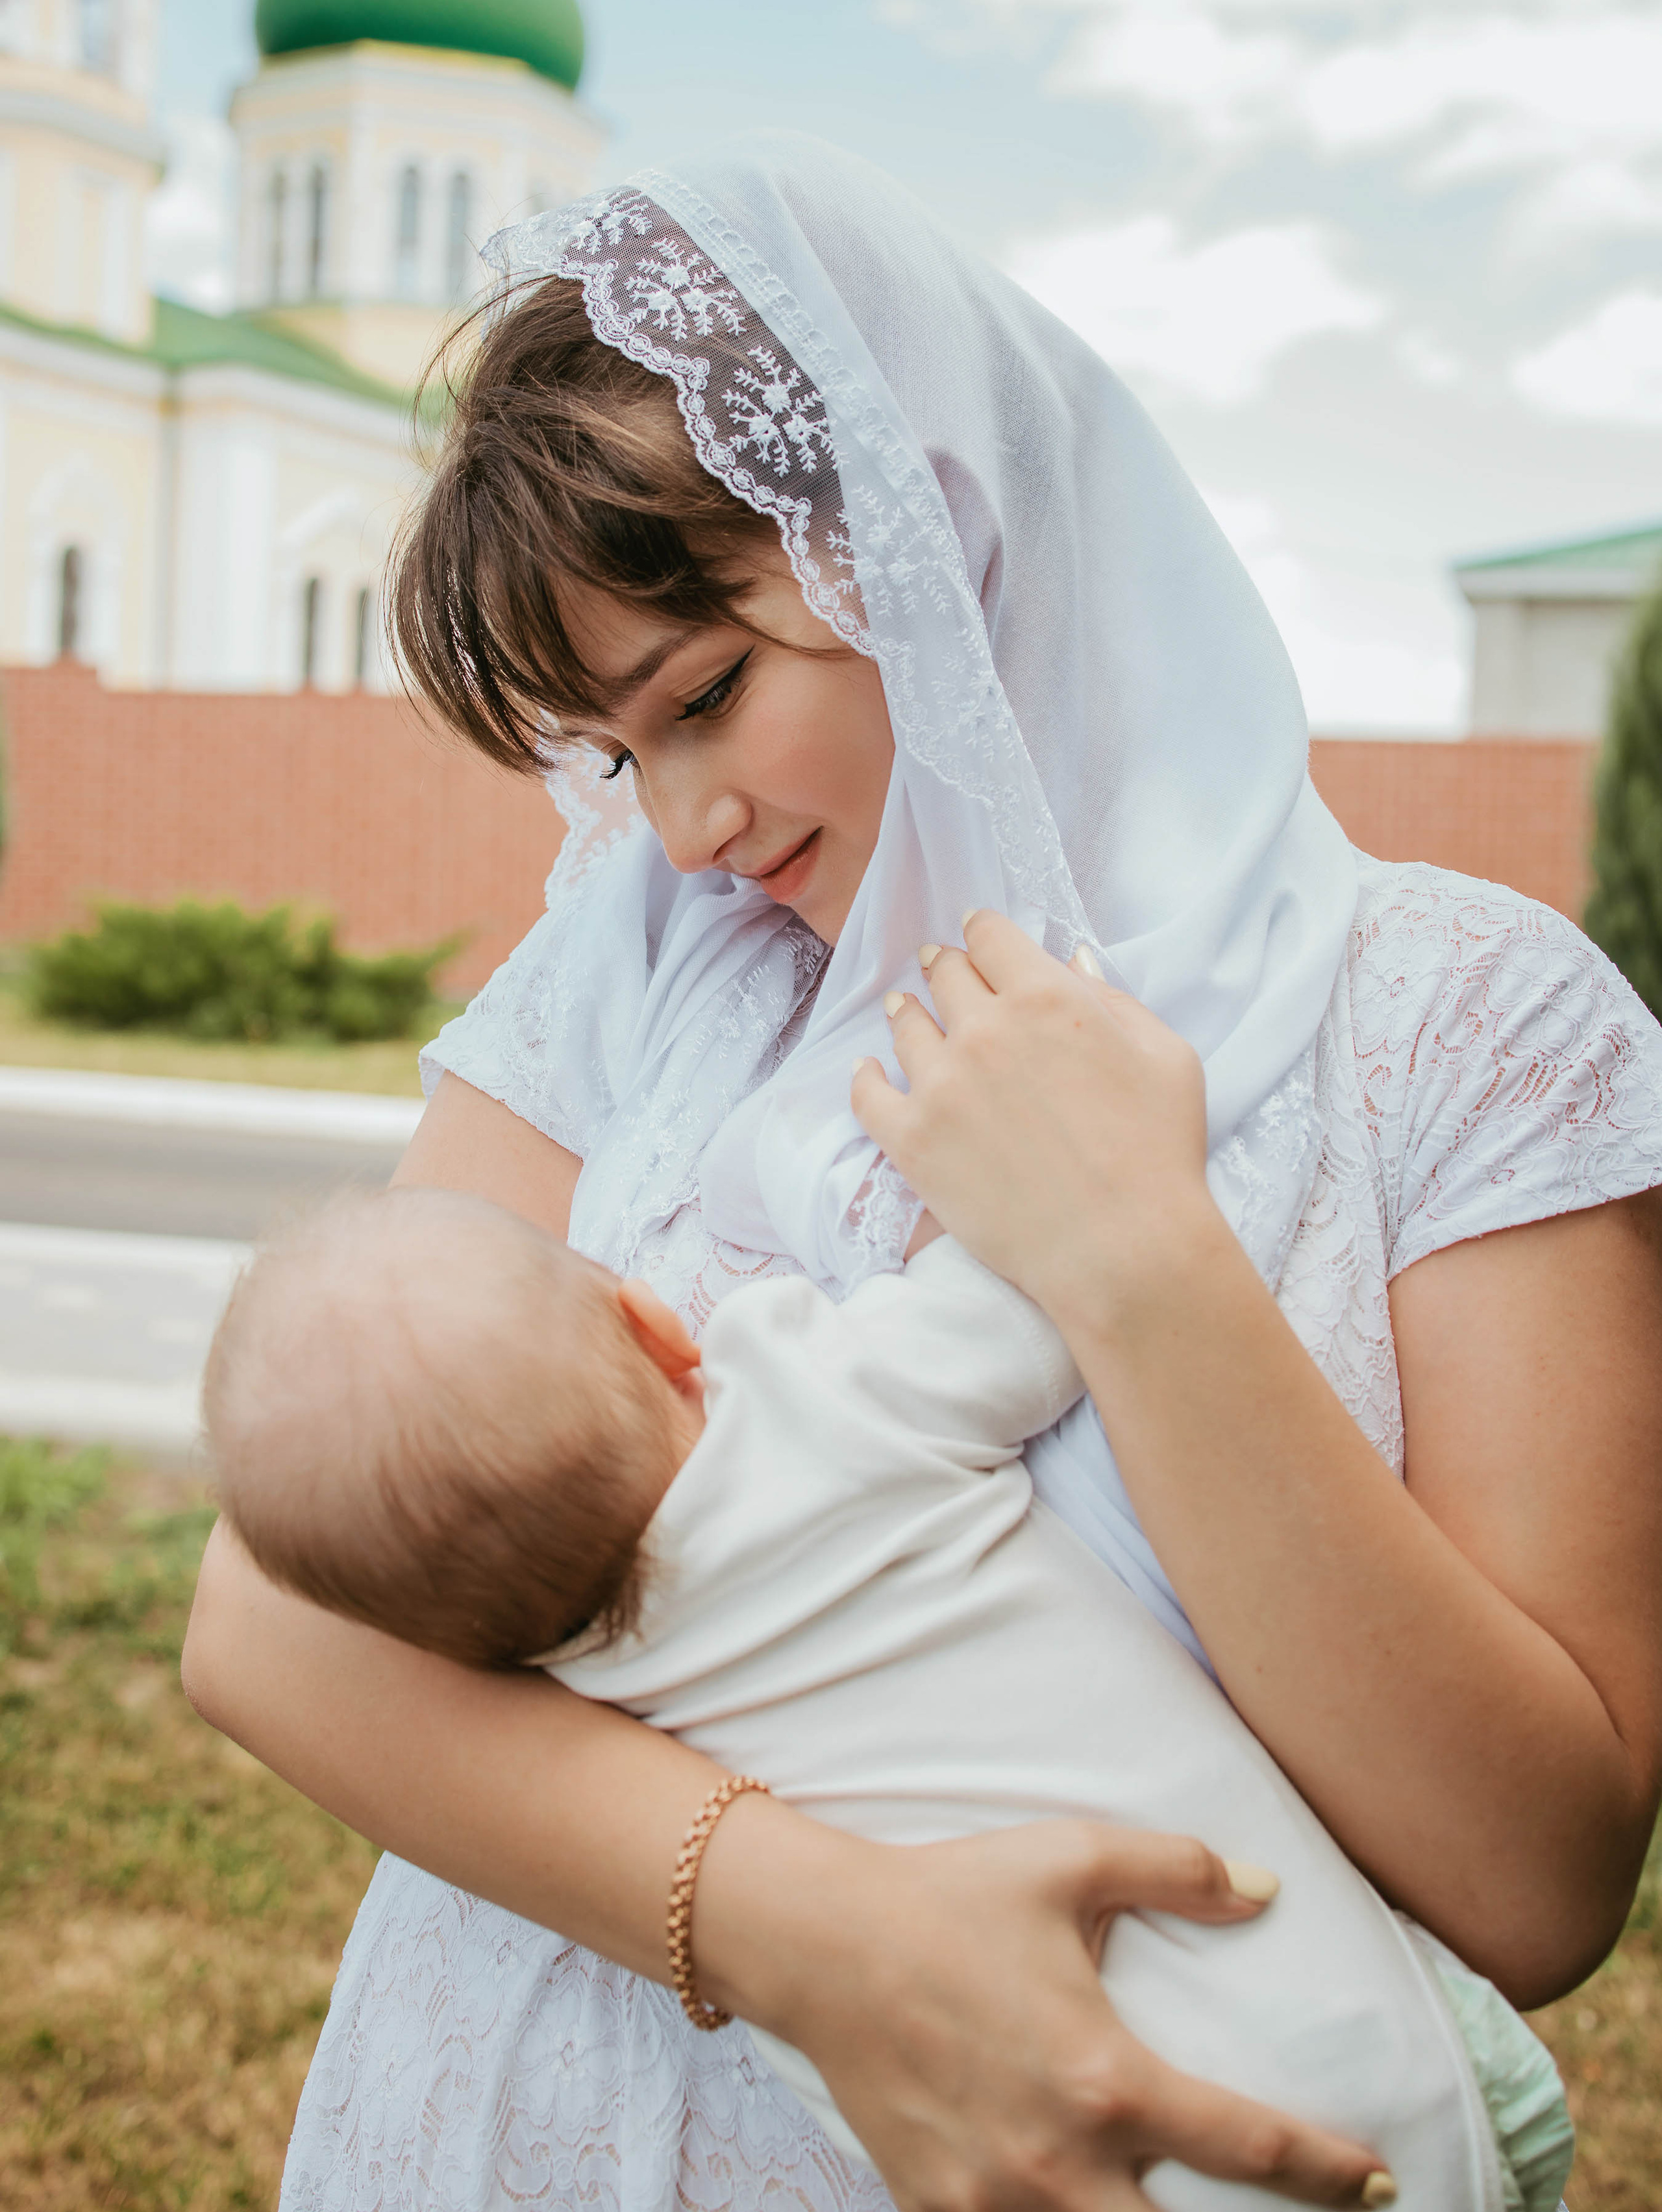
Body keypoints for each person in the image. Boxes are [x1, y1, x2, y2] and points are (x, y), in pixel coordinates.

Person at [182, 137, 1662, 2212]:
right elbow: (270, 1616)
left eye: (707, 695)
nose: (683, 825)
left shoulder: (1461, 1024)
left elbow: (1536, 1879)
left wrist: (1142, 1269)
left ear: (938, 534)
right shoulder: (632, 974)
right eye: (614, 755)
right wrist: (816, 1941)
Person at [202, 1180, 1569, 2209]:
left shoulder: (582, 1699)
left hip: (1068, 2149)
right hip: (1362, 2047)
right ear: (655, 1324)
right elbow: (1026, 1306)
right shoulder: (822, 1404)